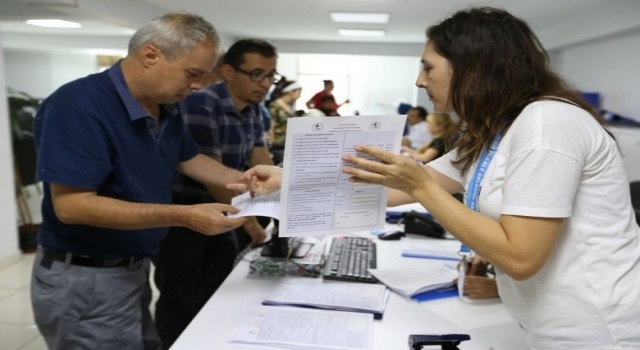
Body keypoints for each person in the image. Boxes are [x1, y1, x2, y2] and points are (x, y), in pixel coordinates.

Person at [231, 7, 640, 349]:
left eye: (428, 68)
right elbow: (391, 188)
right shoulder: (497, 130)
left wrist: (421, 185)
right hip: (545, 321)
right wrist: (288, 178)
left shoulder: (548, 123)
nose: (419, 81)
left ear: (474, 70)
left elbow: (520, 258)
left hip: (596, 328)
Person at [31, 12, 248, 350]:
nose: (197, 87)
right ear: (151, 55)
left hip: (131, 269)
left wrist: (251, 182)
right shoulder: (78, 106)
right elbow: (72, 206)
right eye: (193, 74)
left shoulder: (164, 105)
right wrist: (183, 216)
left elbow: (191, 160)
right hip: (86, 277)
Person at [153, 38, 276, 348]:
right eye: (257, 74)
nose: (266, 83)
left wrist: (278, 195)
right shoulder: (202, 103)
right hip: (187, 214)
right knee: (181, 300)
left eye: (271, 75)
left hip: (226, 207)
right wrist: (250, 220)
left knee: (217, 290)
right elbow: (212, 175)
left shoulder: (253, 108)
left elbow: (259, 158)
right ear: (229, 72)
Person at [268, 79, 303, 165]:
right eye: (299, 92)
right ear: (291, 92)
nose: (300, 95)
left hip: (288, 145)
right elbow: (270, 128)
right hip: (278, 147)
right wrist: (272, 146)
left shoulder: (290, 107)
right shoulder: (274, 106)